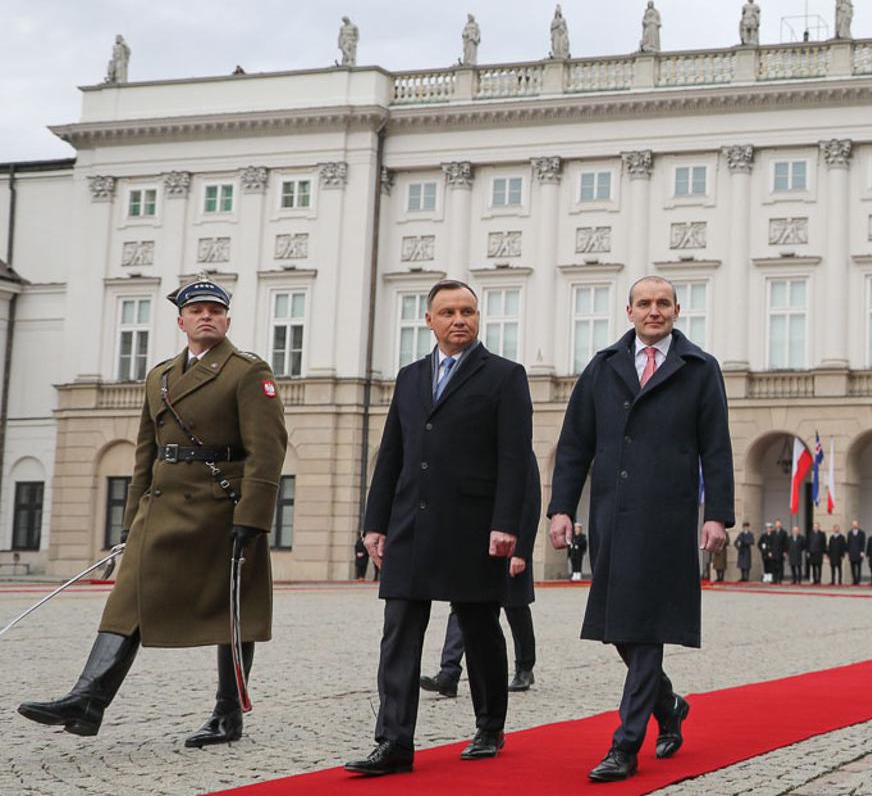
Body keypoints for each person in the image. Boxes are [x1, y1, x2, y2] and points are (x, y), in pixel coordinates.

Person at [17, 277, 287, 746]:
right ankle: (89, 697)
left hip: (220, 508)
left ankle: (228, 713)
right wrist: (130, 523)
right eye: (196, 310)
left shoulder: (246, 371)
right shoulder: (159, 377)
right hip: (160, 507)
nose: (206, 316)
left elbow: (268, 449)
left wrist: (253, 516)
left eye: (215, 310)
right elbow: (146, 454)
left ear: (226, 320)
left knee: (232, 609)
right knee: (128, 597)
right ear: (180, 321)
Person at [547, 275, 733, 783]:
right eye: (645, 303)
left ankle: (625, 745)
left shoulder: (699, 368)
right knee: (619, 630)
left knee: (646, 628)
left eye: (663, 303)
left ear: (678, 309)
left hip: (668, 518)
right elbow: (574, 444)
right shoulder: (603, 367)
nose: (654, 311)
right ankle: (668, 704)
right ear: (628, 310)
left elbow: (716, 447)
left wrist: (716, 514)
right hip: (612, 514)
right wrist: (561, 508)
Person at [345, 279, 533, 775]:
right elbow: (392, 454)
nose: (459, 320)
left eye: (468, 311)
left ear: (478, 317)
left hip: (473, 527)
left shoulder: (505, 376)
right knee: (399, 632)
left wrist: (506, 524)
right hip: (409, 524)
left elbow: (514, 458)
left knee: (478, 628)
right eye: (448, 312)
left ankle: (490, 726)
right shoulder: (409, 377)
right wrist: (375, 523)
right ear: (429, 320)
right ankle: (394, 743)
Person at [423, 466, 543, 698]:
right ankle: (449, 673)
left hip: (510, 546)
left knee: (515, 608)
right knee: (462, 605)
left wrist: (522, 552)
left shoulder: (519, 453)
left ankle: (525, 666)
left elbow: (530, 505)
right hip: (478, 544)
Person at [847, 520, 867, 585]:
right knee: (852, 568)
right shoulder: (849, 533)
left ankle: (858, 580)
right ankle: (854, 580)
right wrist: (848, 552)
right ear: (852, 525)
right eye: (853, 524)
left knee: (858, 567)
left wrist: (862, 551)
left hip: (859, 552)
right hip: (852, 553)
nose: (855, 525)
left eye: (856, 524)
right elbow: (848, 543)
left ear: (858, 525)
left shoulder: (862, 533)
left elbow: (863, 543)